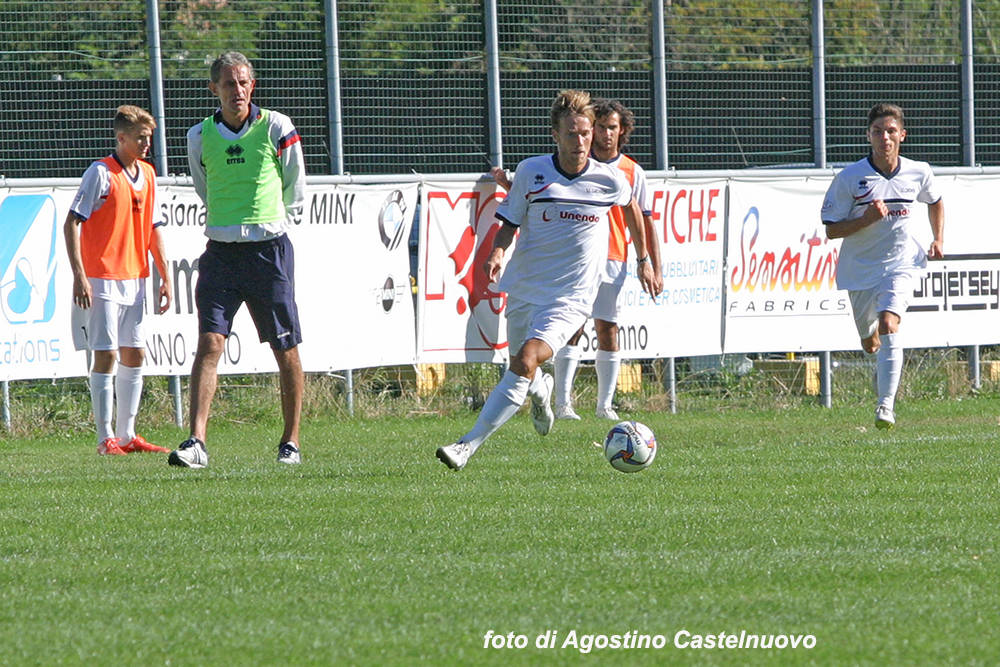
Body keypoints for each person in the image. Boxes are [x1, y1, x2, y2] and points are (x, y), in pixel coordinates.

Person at [437, 89, 657, 471]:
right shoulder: (532, 171)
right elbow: (509, 219)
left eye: (586, 132)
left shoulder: (608, 178)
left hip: (571, 298)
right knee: (520, 366)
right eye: (572, 133)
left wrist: (644, 260)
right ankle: (542, 390)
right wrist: (498, 252)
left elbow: (632, 209)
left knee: (524, 359)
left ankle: (466, 446)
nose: (582, 141)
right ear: (555, 135)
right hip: (524, 286)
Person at [168, 51, 306, 468]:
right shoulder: (198, 135)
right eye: (229, 84)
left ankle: (291, 442)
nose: (238, 91)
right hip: (221, 254)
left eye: (244, 83)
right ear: (214, 89)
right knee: (210, 343)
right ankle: (196, 442)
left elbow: (293, 184)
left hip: (268, 252)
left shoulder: (277, 127)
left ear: (253, 86)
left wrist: (269, 222)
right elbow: (203, 186)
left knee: (285, 347)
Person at [494, 99, 663, 420]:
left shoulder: (627, 171)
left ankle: (604, 406)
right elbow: (541, 198)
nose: (601, 135)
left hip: (613, 259)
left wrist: (648, 261)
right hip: (567, 269)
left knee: (607, 329)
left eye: (610, 128)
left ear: (621, 131)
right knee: (564, 334)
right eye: (598, 127)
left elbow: (642, 216)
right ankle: (563, 403)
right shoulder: (557, 166)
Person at [821, 102, 944, 429]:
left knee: (890, 323)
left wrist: (938, 239)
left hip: (902, 263)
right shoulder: (851, 177)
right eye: (878, 132)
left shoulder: (919, 171)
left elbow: (935, 200)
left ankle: (885, 407)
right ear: (868, 136)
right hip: (860, 268)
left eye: (891, 131)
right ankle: (870, 339)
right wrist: (867, 218)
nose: (885, 138)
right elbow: (832, 229)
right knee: (870, 341)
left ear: (902, 135)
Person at [64, 104, 172, 456]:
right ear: (121, 137)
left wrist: (164, 273)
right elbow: (72, 223)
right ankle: (104, 438)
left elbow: (154, 228)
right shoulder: (100, 173)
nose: (146, 144)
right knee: (106, 354)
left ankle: (128, 435)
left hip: (136, 278)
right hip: (103, 277)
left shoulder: (149, 174)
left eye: (149, 138)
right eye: (140, 138)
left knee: (135, 352)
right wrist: (80, 275)